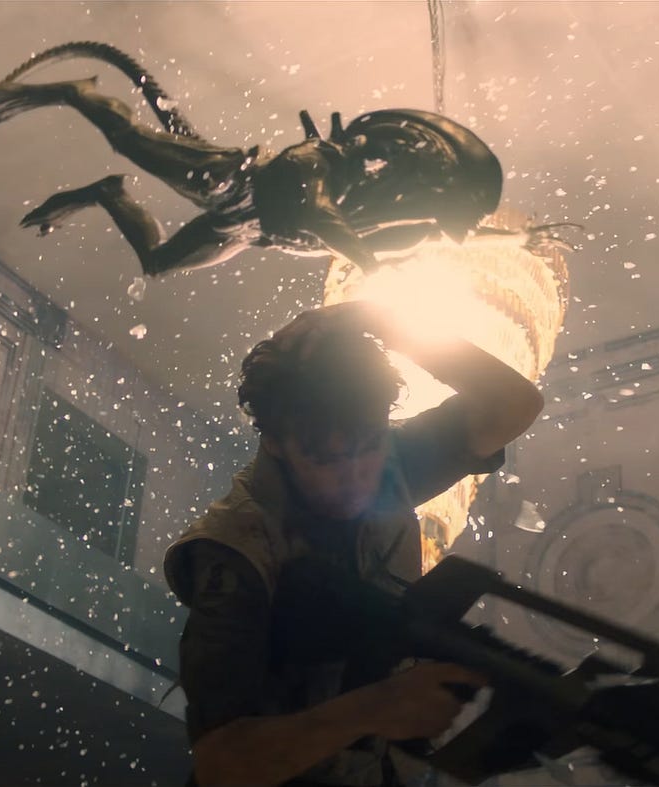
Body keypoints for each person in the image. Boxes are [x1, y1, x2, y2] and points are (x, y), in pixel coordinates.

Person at [162, 301, 545, 786]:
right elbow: (222, 765)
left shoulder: (387, 461)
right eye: (326, 460)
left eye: (370, 447)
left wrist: (383, 322)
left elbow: (513, 405)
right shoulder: (236, 551)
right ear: (274, 442)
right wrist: (374, 707)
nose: (356, 477)